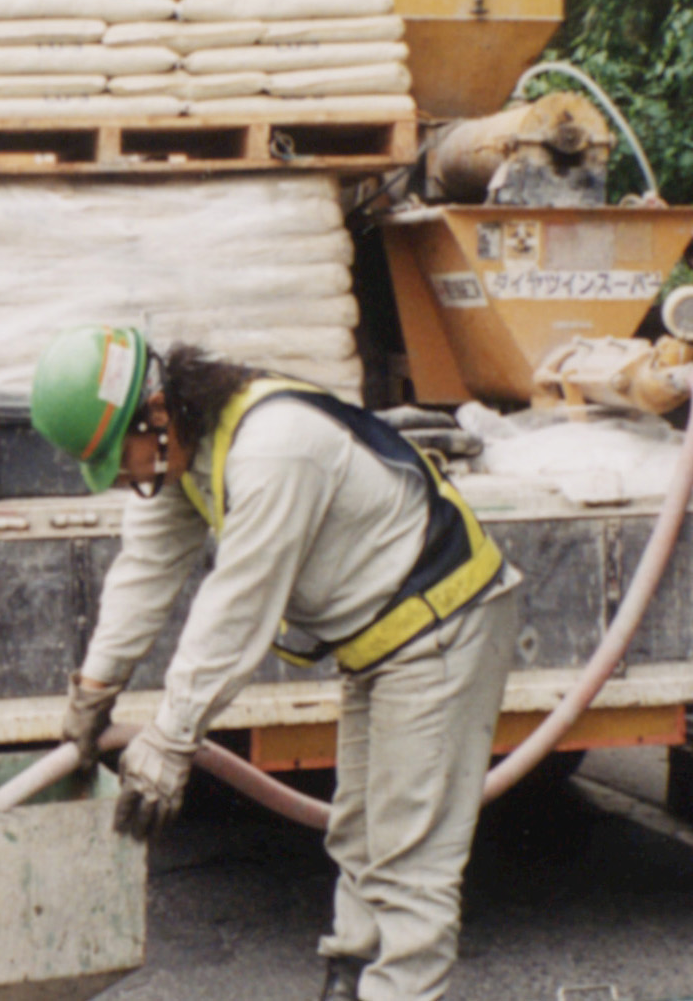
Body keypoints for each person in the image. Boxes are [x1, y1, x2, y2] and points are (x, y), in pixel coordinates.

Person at [30, 326, 521, 1001]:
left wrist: (173, 738)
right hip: (382, 639)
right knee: (359, 834)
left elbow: (237, 607)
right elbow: (145, 569)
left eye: (122, 458)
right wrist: (93, 690)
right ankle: (348, 981)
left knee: (410, 859)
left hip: (443, 623)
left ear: (158, 414)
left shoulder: (274, 448)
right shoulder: (188, 455)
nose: (124, 477)